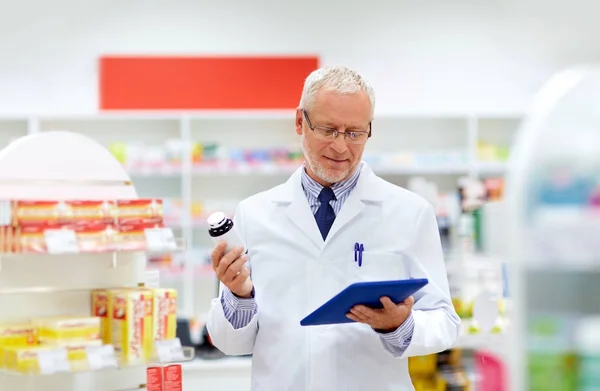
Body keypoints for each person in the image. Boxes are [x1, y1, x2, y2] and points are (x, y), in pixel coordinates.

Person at [206, 65, 461, 391]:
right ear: (300, 122)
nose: (341, 147)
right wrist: (239, 296)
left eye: (355, 133)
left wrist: (399, 326)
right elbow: (232, 342)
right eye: (328, 130)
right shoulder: (254, 214)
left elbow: (445, 322)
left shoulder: (409, 213)